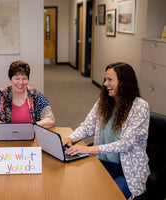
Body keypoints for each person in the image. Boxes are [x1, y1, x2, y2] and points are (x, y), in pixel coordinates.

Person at [62, 63, 150, 199]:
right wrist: (71, 138)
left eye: (109, 80)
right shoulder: (104, 102)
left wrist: (89, 149)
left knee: (107, 196)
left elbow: (126, 143)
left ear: (123, 82)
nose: (104, 84)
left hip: (127, 170)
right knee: (80, 190)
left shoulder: (140, 107)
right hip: (102, 163)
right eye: (105, 79)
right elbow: (87, 126)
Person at [0, 60, 55, 129]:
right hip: (7, 136)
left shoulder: (35, 95)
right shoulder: (1, 94)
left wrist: (30, 126)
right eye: (17, 79)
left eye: (24, 78)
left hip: (32, 135)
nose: (21, 82)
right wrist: (8, 129)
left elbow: (50, 120)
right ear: (10, 79)